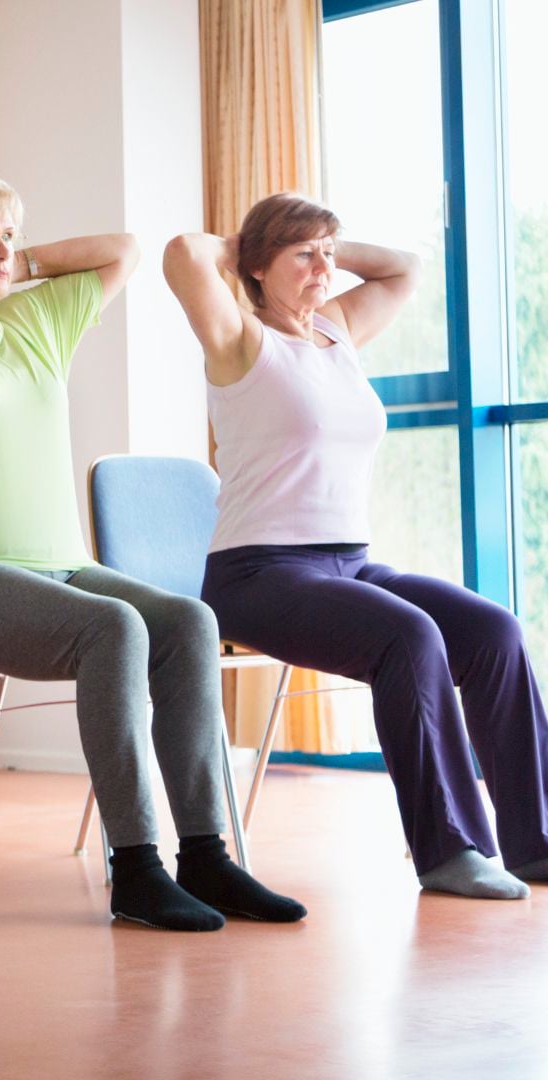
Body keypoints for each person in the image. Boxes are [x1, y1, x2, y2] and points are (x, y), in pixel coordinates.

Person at [0, 169, 306, 931]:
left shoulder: (41, 320)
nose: (2, 249)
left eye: (8, 232)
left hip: (61, 564)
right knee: (113, 628)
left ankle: (206, 856)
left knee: (188, 623)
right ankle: (135, 867)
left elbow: (125, 251)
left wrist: (13, 259)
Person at [167, 192, 548, 900]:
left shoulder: (337, 332)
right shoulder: (240, 339)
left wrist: (321, 245)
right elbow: (185, 254)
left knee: (494, 632)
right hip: (257, 573)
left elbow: (404, 268)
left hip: (349, 560)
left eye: (329, 254)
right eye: (303, 256)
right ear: (256, 267)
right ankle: (449, 850)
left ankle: (536, 841)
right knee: (407, 636)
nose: (323, 269)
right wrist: (247, 244)